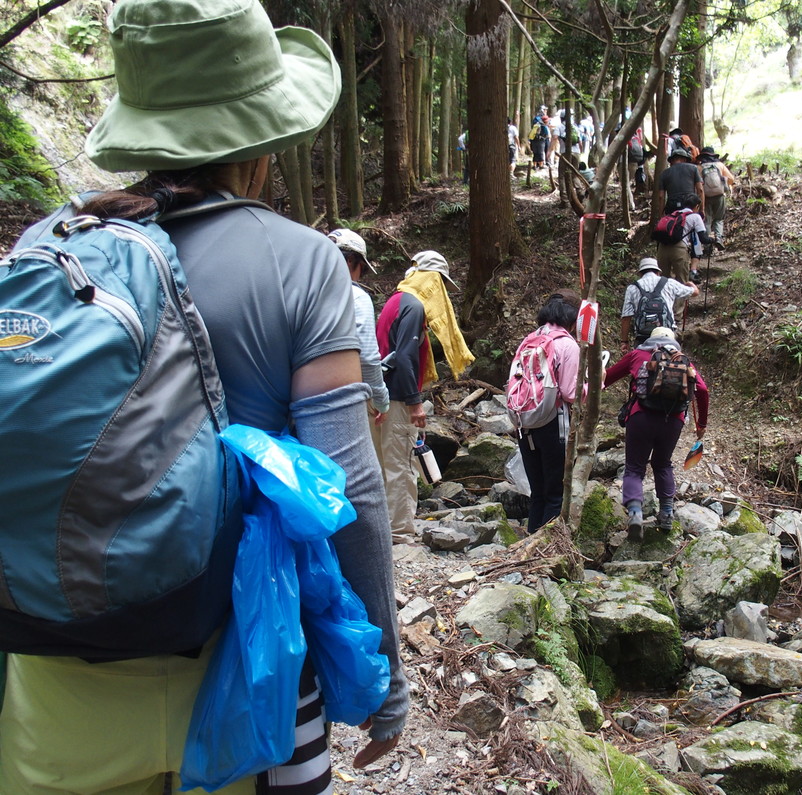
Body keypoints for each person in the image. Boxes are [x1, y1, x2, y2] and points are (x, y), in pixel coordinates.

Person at [0, 1, 408, 792]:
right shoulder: (303, 263)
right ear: (261, 134)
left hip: (55, 681)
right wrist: (384, 673)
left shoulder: (50, 248)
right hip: (241, 675)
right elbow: (349, 488)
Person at [375, 251, 474, 545]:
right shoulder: (414, 305)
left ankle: (385, 526)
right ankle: (400, 533)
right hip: (395, 398)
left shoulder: (397, 299)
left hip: (380, 394)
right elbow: (404, 357)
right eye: (442, 283)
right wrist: (415, 402)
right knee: (400, 465)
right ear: (433, 281)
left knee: (384, 464)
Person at [604, 327, 709, 539]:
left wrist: (587, 391)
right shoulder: (683, 359)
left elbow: (608, 377)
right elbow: (703, 390)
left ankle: (635, 512)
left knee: (634, 467)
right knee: (663, 463)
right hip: (673, 421)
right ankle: (667, 513)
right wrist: (701, 424)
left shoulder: (638, 354)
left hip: (640, 417)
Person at [513, 291, 581, 533]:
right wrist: (596, 384)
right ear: (573, 320)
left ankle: (531, 543)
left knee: (538, 493)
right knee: (555, 494)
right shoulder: (567, 345)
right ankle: (547, 551)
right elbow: (571, 393)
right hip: (553, 424)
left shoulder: (528, 340)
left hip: (524, 424)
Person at [328, 228, 390, 444]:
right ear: (351, 261)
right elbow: (368, 357)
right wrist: (381, 400)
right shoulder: (355, 296)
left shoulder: (302, 292)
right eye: (361, 269)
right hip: (346, 402)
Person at [619, 258, 699, 354]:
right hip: (666, 334)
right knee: (668, 363)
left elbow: (626, 317)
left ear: (640, 273)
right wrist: (691, 284)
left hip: (643, 337)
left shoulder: (632, 288)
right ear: (658, 272)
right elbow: (695, 293)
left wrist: (624, 341)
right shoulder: (669, 283)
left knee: (641, 362)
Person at [656, 207, 709, 288]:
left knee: (662, 281)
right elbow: (703, 238)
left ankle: (663, 300)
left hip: (662, 248)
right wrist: (713, 240)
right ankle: (680, 301)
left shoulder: (672, 215)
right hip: (679, 248)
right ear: (697, 206)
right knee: (682, 282)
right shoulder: (695, 216)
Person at [695, 146, 737, 248]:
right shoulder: (719, 165)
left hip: (705, 197)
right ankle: (719, 238)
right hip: (719, 196)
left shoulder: (699, 168)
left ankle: (708, 245)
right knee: (719, 219)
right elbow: (732, 179)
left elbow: (697, 185)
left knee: (707, 221)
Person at [656, 147, 704, 214]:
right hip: (690, 204)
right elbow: (700, 190)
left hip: (672, 206)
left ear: (672, 161)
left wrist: (661, 214)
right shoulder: (693, 168)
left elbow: (661, 196)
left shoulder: (664, 173)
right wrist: (702, 210)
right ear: (684, 159)